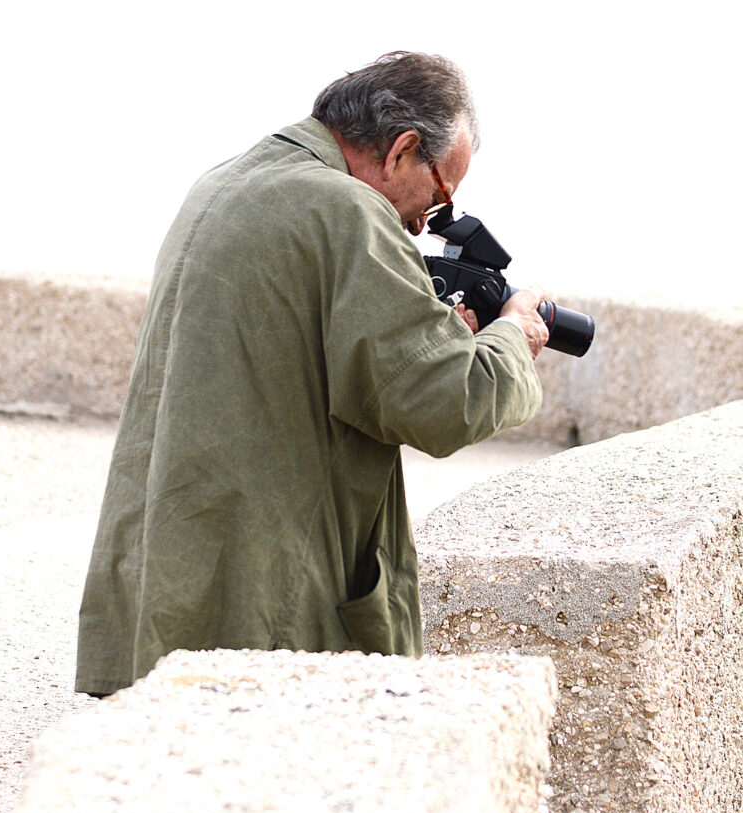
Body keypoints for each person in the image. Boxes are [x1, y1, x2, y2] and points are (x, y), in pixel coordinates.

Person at [76, 52, 548, 697]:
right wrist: (512, 337)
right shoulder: (347, 212)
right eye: (440, 194)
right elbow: (446, 401)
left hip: (176, 558)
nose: (424, 223)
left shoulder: (226, 181)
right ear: (402, 149)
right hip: (264, 591)